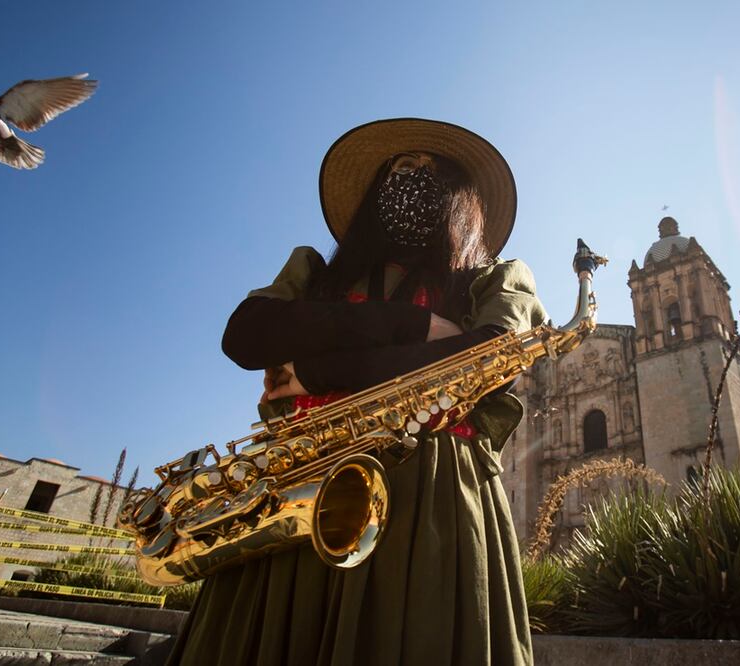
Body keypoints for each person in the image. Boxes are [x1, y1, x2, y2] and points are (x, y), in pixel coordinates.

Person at [168, 118, 545, 666]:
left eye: (431, 171)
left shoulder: (497, 277)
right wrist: (412, 327)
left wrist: (315, 372)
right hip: (296, 483)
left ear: (462, 198)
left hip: (428, 492)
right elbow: (245, 335)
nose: (413, 178)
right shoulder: (314, 271)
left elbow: (485, 360)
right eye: (400, 168)